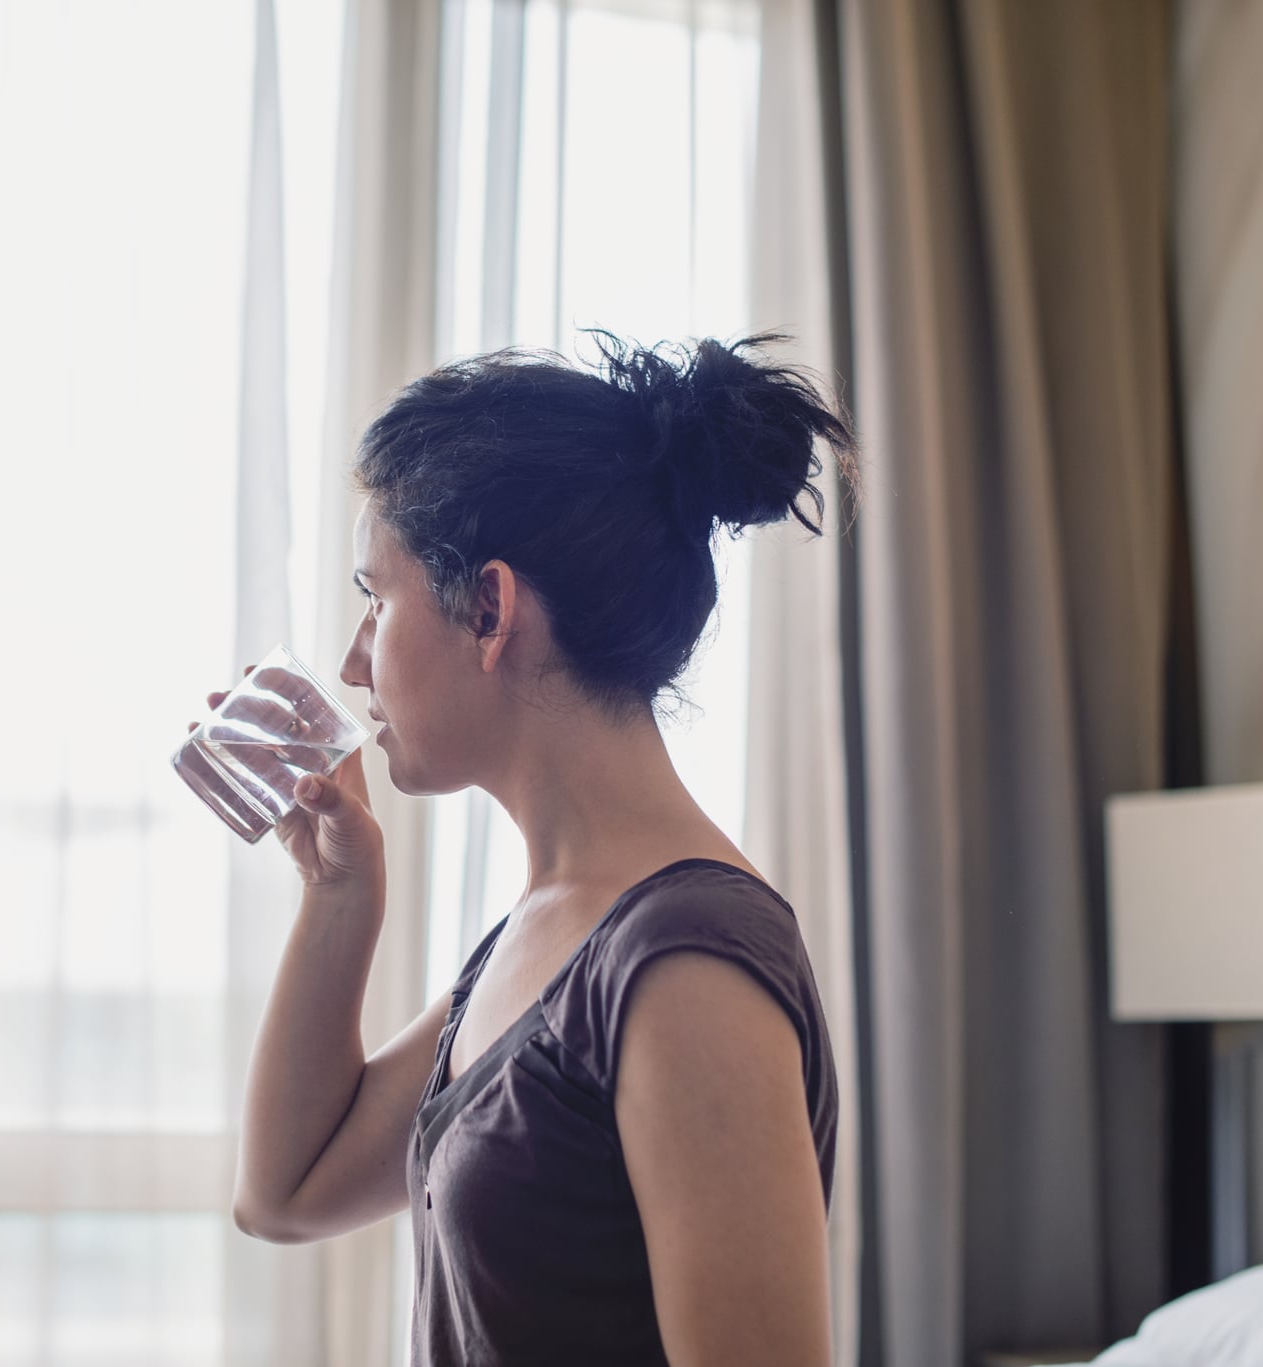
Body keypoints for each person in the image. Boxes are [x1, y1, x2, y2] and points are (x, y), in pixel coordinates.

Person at [196, 331, 856, 1366]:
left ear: (489, 608)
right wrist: (338, 892)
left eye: (376, 597)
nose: (351, 658)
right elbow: (281, 1192)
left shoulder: (685, 963)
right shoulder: (544, 933)